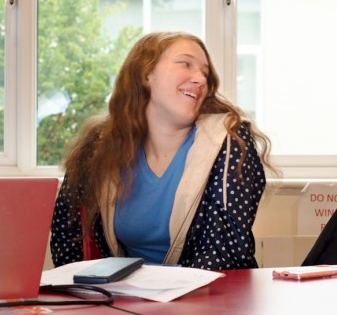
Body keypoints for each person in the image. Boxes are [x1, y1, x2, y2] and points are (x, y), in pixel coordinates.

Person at [49, 32, 273, 270]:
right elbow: (67, 242)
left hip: (205, 298)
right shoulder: (99, 146)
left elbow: (225, 255)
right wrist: (93, 293)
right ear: (146, 74)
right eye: (186, 64)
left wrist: (154, 293)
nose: (200, 79)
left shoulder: (229, 144)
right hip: (122, 298)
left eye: (205, 73)